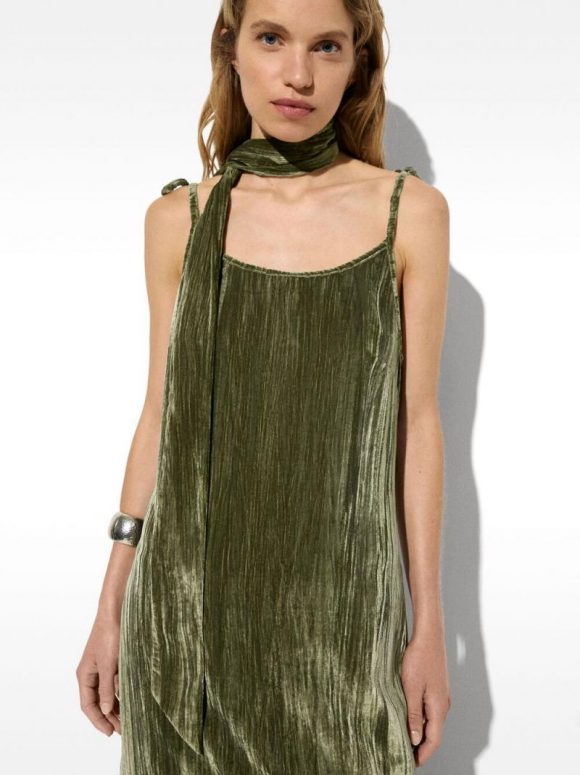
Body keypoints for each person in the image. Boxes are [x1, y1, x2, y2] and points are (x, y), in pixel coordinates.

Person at [76, 0, 451, 772]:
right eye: (272, 38)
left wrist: (429, 626)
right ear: (232, 48)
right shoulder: (178, 218)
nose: (297, 74)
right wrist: (110, 606)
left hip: (343, 642)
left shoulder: (407, 213)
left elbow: (416, 425)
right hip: (186, 639)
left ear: (357, 65)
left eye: (327, 46)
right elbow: (160, 413)